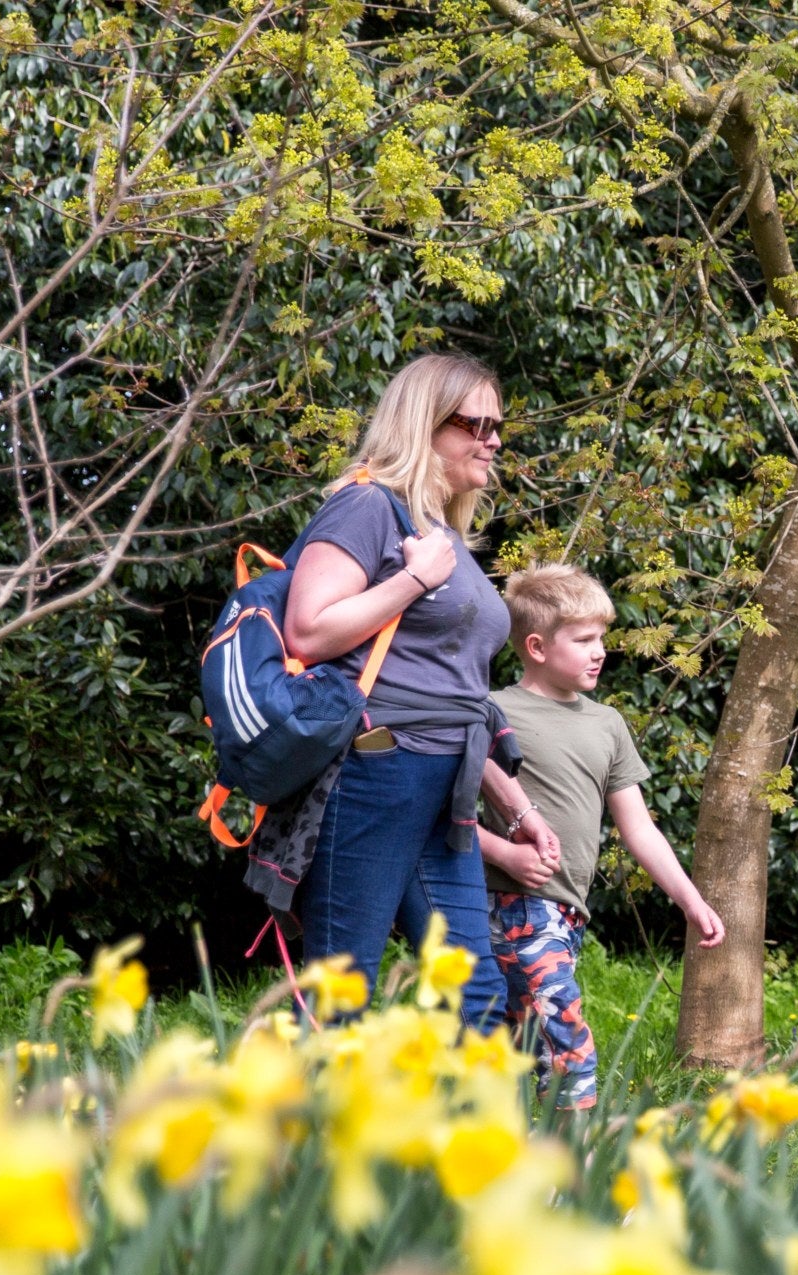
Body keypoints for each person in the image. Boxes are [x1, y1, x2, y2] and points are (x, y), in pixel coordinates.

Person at [280, 354, 555, 1029]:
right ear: (424, 424)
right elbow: (308, 631)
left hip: (441, 785)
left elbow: (457, 695)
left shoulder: (440, 533)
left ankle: (469, 1137)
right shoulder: (366, 505)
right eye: (476, 424)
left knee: (476, 1000)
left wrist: (513, 804)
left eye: (498, 426)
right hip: (375, 773)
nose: (492, 440)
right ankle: (298, 1132)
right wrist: (412, 582)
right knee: (340, 994)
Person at [479, 565, 727, 1110]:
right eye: (584, 640)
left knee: (514, 1054)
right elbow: (438, 813)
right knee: (569, 1052)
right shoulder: (493, 711)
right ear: (537, 646)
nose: (600, 652)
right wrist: (502, 853)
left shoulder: (607, 723)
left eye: (602, 639)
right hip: (511, 907)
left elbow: (637, 826)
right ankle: (581, 1180)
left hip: (567, 916)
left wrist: (690, 900)